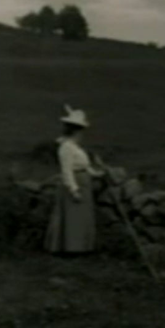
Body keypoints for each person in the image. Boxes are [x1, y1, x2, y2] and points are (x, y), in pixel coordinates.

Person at [45, 105, 104, 256]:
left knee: (81, 216)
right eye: (80, 130)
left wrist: (96, 174)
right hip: (75, 184)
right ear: (75, 130)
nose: (82, 133)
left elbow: (84, 166)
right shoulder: (66, 148)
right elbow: (67, 171)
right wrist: (73, 189)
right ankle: (69, 248)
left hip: (83, 182)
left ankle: (81, 247)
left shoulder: (75, 147)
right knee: (72, 217)